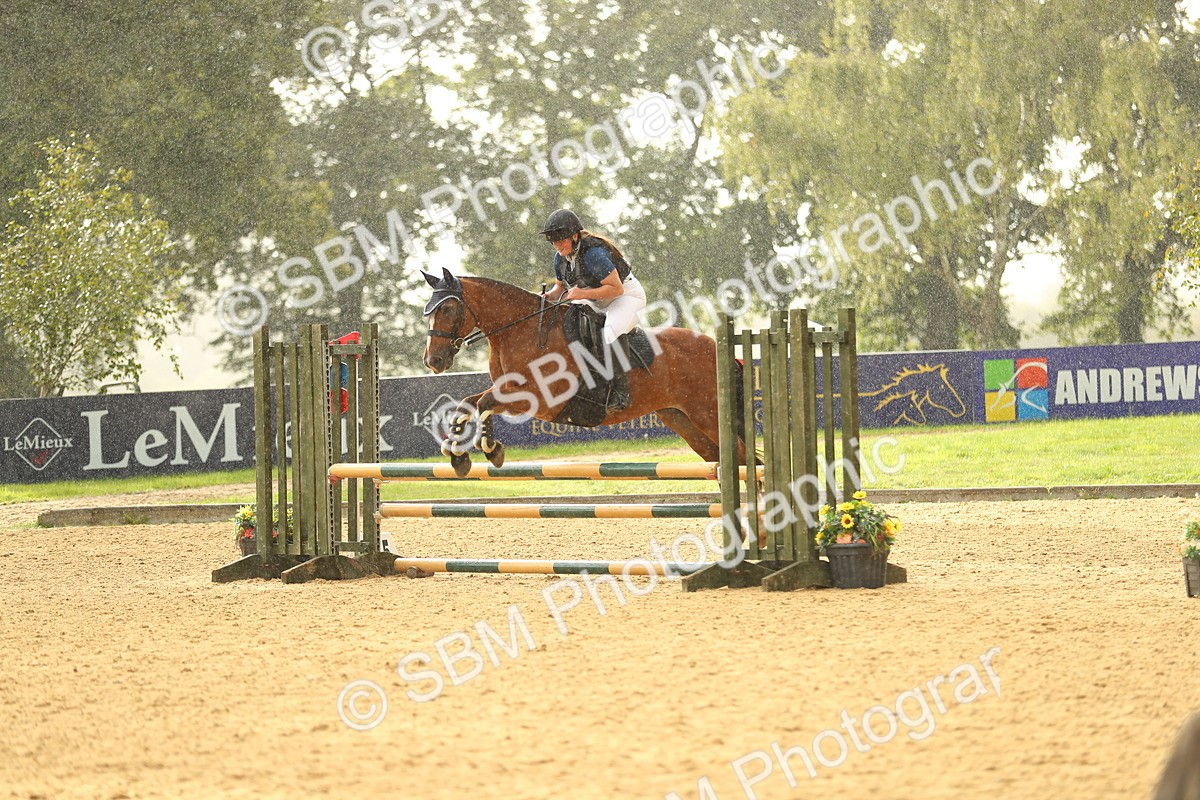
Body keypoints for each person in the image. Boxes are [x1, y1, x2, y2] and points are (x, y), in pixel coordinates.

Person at [538, 208, 646, 411]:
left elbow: (616, 288)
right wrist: (548, 297)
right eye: (553, 241)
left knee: (611, 329)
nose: (557, 245)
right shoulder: (560, 258)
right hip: (597, 299)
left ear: (575, 236)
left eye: (561, 239)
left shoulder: (594, 254)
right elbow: (560, 288)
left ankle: (622, 393)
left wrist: (583, 294)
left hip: (626, 297)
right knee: (570, 320)